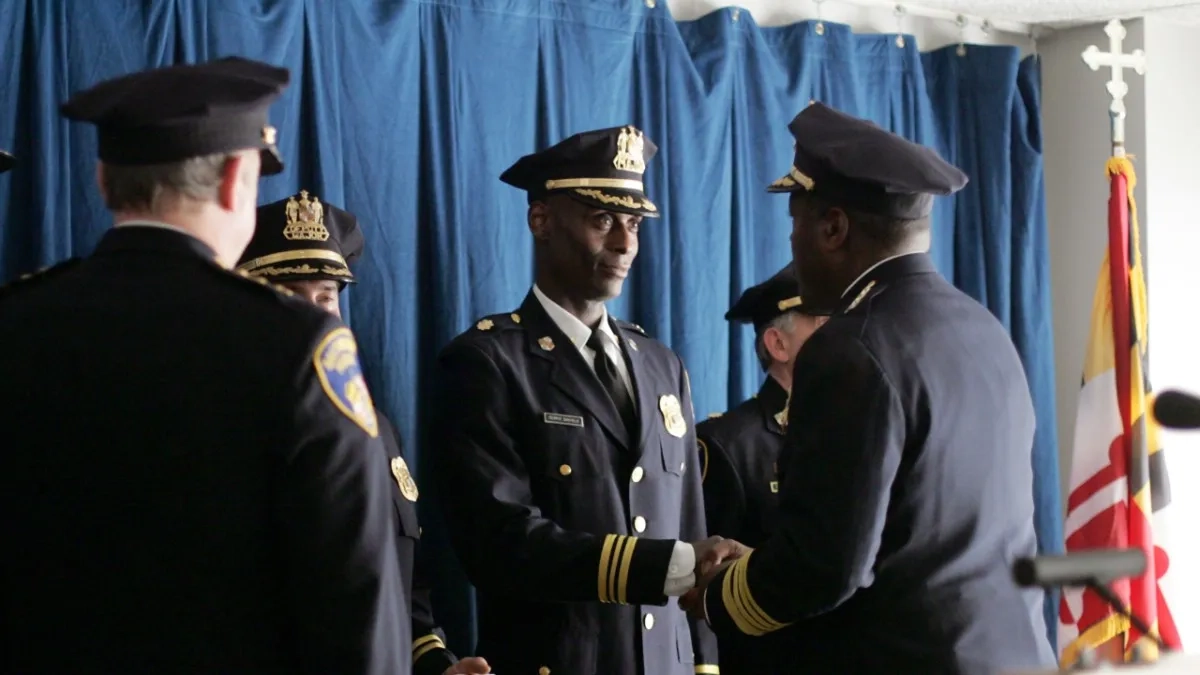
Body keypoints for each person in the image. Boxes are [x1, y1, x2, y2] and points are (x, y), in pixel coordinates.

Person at [0, 57, 408, 675]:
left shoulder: (17, 319)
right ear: (234, 180)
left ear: (104, 179)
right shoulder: (298, 346)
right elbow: (354, 600)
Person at [686, 103, 1057, 674]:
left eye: (795, 226)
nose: (794, 248)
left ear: (833, 228)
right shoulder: (982, 327)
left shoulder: (849, 348)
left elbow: (828, 567)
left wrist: (718, 595)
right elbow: (920, 535)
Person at [432, 125, 735, 675]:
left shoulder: (663, 365)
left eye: (634, 224)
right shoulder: (488, 363)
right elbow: (499, 544)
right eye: (603, 221)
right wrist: (667, 565)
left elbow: (690, 519)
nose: (624, 243)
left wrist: (704, 666)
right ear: (541, 220)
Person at [238, 190, 491, 675]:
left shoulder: (371, 424)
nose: (315, 314)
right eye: (291, 296)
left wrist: (437, 664)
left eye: (325, 297)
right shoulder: (225, 424)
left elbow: (402, 587)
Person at [695, 263, 827, 675]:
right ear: (778, 344)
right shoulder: (726, 443)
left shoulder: (853, 431)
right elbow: (702, 576)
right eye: (824, 323)